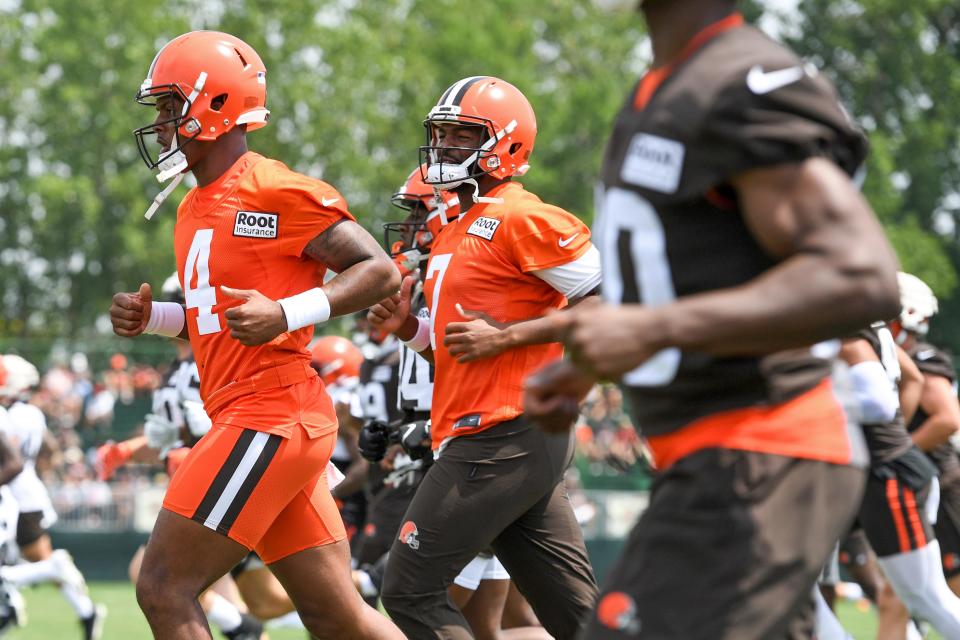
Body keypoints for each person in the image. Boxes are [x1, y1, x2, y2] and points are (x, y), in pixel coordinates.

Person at [525, 1, 901, 637]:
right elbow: (686, 274)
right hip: (713, 457)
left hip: (765, 448)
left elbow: (860, 274)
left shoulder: (739, 80)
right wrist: (584, 368)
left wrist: (654, 329)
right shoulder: (665, 85)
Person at [110, 30, 403, 640]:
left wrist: (288, 312)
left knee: (164, 587)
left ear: (215, 105)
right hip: (260, 415)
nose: (162, 124)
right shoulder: (194, 206)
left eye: (170, 106)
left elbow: (379, 270)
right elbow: (216, 322)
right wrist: (155, 319)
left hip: (269, 414)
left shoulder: (271, 188)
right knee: (338, 616)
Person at [369, 76, 601, 639]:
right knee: (578, 620)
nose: (444, 147)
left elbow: (613, 307)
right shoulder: (455, 228)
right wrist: (408, 328)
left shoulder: (523, 216)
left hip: (501, 431)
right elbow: (459, 348)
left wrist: (507, 337)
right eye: (441, 134)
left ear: (509, 144)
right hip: (499, 431)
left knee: (409, 591)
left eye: (461, 135)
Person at [837, 325, 960, 637]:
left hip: (887, 475)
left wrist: (890, 443)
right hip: (871, 471)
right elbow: (912, 378)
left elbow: (878, 402)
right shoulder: (872, 330)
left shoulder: (847, 330)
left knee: (925, 596)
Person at [0, 354, 106, 640]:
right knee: (39, 564)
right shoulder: (31, 413)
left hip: (16, 497)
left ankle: (11, 602)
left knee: (40, 565)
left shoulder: (12, 415)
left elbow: (11, 456)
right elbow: (49, 448)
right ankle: (86, 611)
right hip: (26, 493)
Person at [893, 272, 960, 595]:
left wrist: (895, 453)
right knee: (897, 594)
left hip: (940, 484)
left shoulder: (922, 359)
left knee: (954, 586)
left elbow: (947, 419)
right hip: (915, 483)